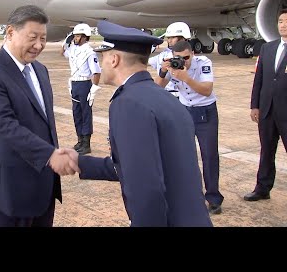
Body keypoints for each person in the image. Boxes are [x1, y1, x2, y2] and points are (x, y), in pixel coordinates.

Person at [63, 20, 212, 227]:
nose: (101, 63)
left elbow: (145, 186)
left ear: (114, 59)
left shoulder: (128, 104)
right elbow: (139, 165)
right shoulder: (166, 98)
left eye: (103, 56)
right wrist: (80, 163)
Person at [0, 5, 79, 227]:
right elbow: (5, 126)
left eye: (43, 38)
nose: (39, 45)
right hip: (10, 187)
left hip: (43, 184)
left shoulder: (40, 70)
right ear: (10, 32)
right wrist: (50, 155)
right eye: (33, 38)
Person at [156, 40, 224, 214]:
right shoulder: (172, 65)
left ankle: (213, 198)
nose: (183, 62)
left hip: (205, 111)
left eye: (186, 57)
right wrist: (164, 72)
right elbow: (157, 88)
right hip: (185, 110)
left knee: (209, 156)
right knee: (184, 155)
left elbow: (207, 90)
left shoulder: (203, 63)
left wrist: (186, 77)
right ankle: (188, 197)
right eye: (178, 58)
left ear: (193, 54)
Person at [244, 8, 287, 202]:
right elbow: (259, 79)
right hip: (267, 110)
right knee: (266, 151)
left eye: (286, 21)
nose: (283, 25)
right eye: (280, 21)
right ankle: (262, 188)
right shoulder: (267, 48)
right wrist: (255, 105)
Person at [61, 23, 102, 155]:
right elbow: (63, 53)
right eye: (75, 35)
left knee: (86, 113)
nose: (75, 38)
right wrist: (66, 41)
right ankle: (79, 140)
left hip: (84, 84)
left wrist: (94, 88)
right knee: (76, 112)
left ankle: (86, 143)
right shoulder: (73, 49)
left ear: (85, 37)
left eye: (78, 35)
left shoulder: (90, 52)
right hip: (74, 83)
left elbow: (96, 72)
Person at [150, 21, 191, 97]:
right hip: (166, 95)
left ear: (183, 38)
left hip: (184, 97)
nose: (169, 41)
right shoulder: (163, 55)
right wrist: (162, 71)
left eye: (173, 37)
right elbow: (145, 61)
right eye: (168, 38)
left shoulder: (192, 59)